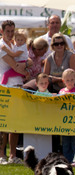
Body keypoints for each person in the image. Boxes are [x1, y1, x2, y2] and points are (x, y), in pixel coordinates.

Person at [0, 20, 27, 165]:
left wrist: (27, 64)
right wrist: (26, 65)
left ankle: (13, 155)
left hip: (17, 85)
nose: (10, 34)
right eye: (7, 31)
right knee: (3, 123)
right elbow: (16, 66)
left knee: (15, 122)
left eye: (12, 31)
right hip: (4, 87)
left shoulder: (15, 44)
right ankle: (1, 155)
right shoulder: (2, 46)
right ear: (2, 31)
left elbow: (26, 61)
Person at [58, 68, 75, 162]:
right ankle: (67, 160)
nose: (70, 82)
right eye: (68, 80)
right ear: (63, 81)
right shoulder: (61, 92)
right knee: (65, 141)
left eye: (72, 80)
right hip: (65, 121)